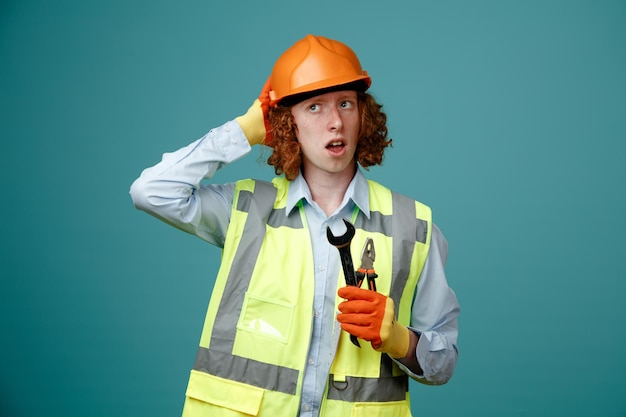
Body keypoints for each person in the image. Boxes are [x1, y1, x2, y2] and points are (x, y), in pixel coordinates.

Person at [130, 34, 460, 417]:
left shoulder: (414, 226)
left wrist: (401, 340)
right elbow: (151, 191)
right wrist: (245, 130)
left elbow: (445, 362)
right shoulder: (246, 209)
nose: (335, 122)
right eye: (314, 107)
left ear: (362, 115)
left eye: (346, 104)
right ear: (289, 123)